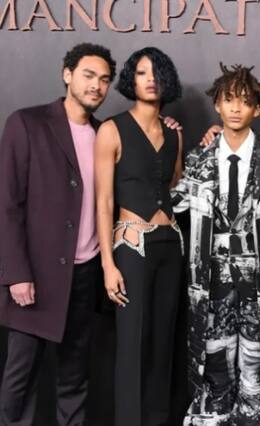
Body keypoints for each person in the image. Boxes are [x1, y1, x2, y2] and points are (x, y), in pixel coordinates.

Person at [0, 43, 115, 426]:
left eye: (104, 80)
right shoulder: (27, 123)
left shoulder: (105, 134)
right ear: (67, 75)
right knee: (21, 377)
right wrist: (16, 273)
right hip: (35, 275)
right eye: (88, 75)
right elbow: (7, 203)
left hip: (85, 274)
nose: (96, 85)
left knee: (75, 376)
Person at [171, 63, 260, 425]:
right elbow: (174, 204)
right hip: (210, 282)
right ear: (217, 105)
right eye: (229, 99)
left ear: (257, 108)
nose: (236, 108)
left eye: (245, 101)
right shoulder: (199, 159)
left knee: (258, 366)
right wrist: (177, 144)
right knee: (213, 364)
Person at [95, 47, 184, 426]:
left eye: (157, 72)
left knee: (164, 344)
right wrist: (108, 264)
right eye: (143, 72)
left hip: (171, 246)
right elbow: (103, 201)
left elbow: (175, 185)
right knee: (132, 346)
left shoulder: (174, 132)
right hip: (131, 247)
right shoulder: (111, 129)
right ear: (131, 79)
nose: (151, 79)